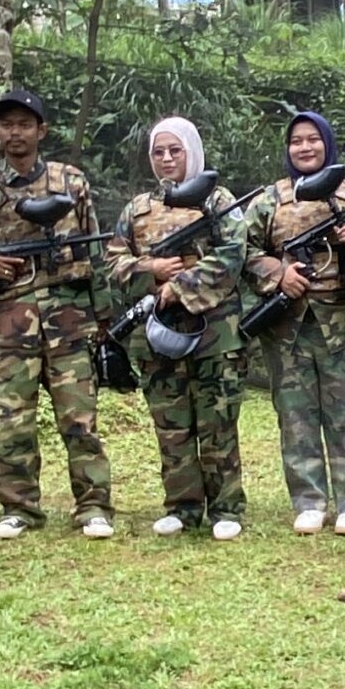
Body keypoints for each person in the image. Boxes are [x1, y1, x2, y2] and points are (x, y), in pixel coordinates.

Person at [0, 85, 113, 539]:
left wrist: (105, 318)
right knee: (11, 420)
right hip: (10, 317)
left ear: (42, 130)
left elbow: (96, 254)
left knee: (80, 420)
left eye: (24, 124)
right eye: (7, 124)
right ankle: (19, 508)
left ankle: (93, 506)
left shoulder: (70, 183)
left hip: (70, 318)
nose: (15, 133)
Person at [241, 109, 345, 534]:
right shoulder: (270, 200)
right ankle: (309, 500)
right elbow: (242, 251)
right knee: (295, 416)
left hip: (344, 324)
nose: (305, 147)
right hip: (287, 327)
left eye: (312, 139)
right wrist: (277, 273)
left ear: (328, 144)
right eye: (296, 141)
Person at [107, 116, 246, 538]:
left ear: (192, 151)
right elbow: (114, 262)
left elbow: (232, 256)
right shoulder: (138, 209)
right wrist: (151, 269)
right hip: (158, 334)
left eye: (175, 150)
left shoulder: (219, 200)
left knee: (216, 420)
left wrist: (179, 286)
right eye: (158, 152)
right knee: (171, 422)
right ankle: (182, 507)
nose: (166, 159)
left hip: (215, 332)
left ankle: (226, 509)